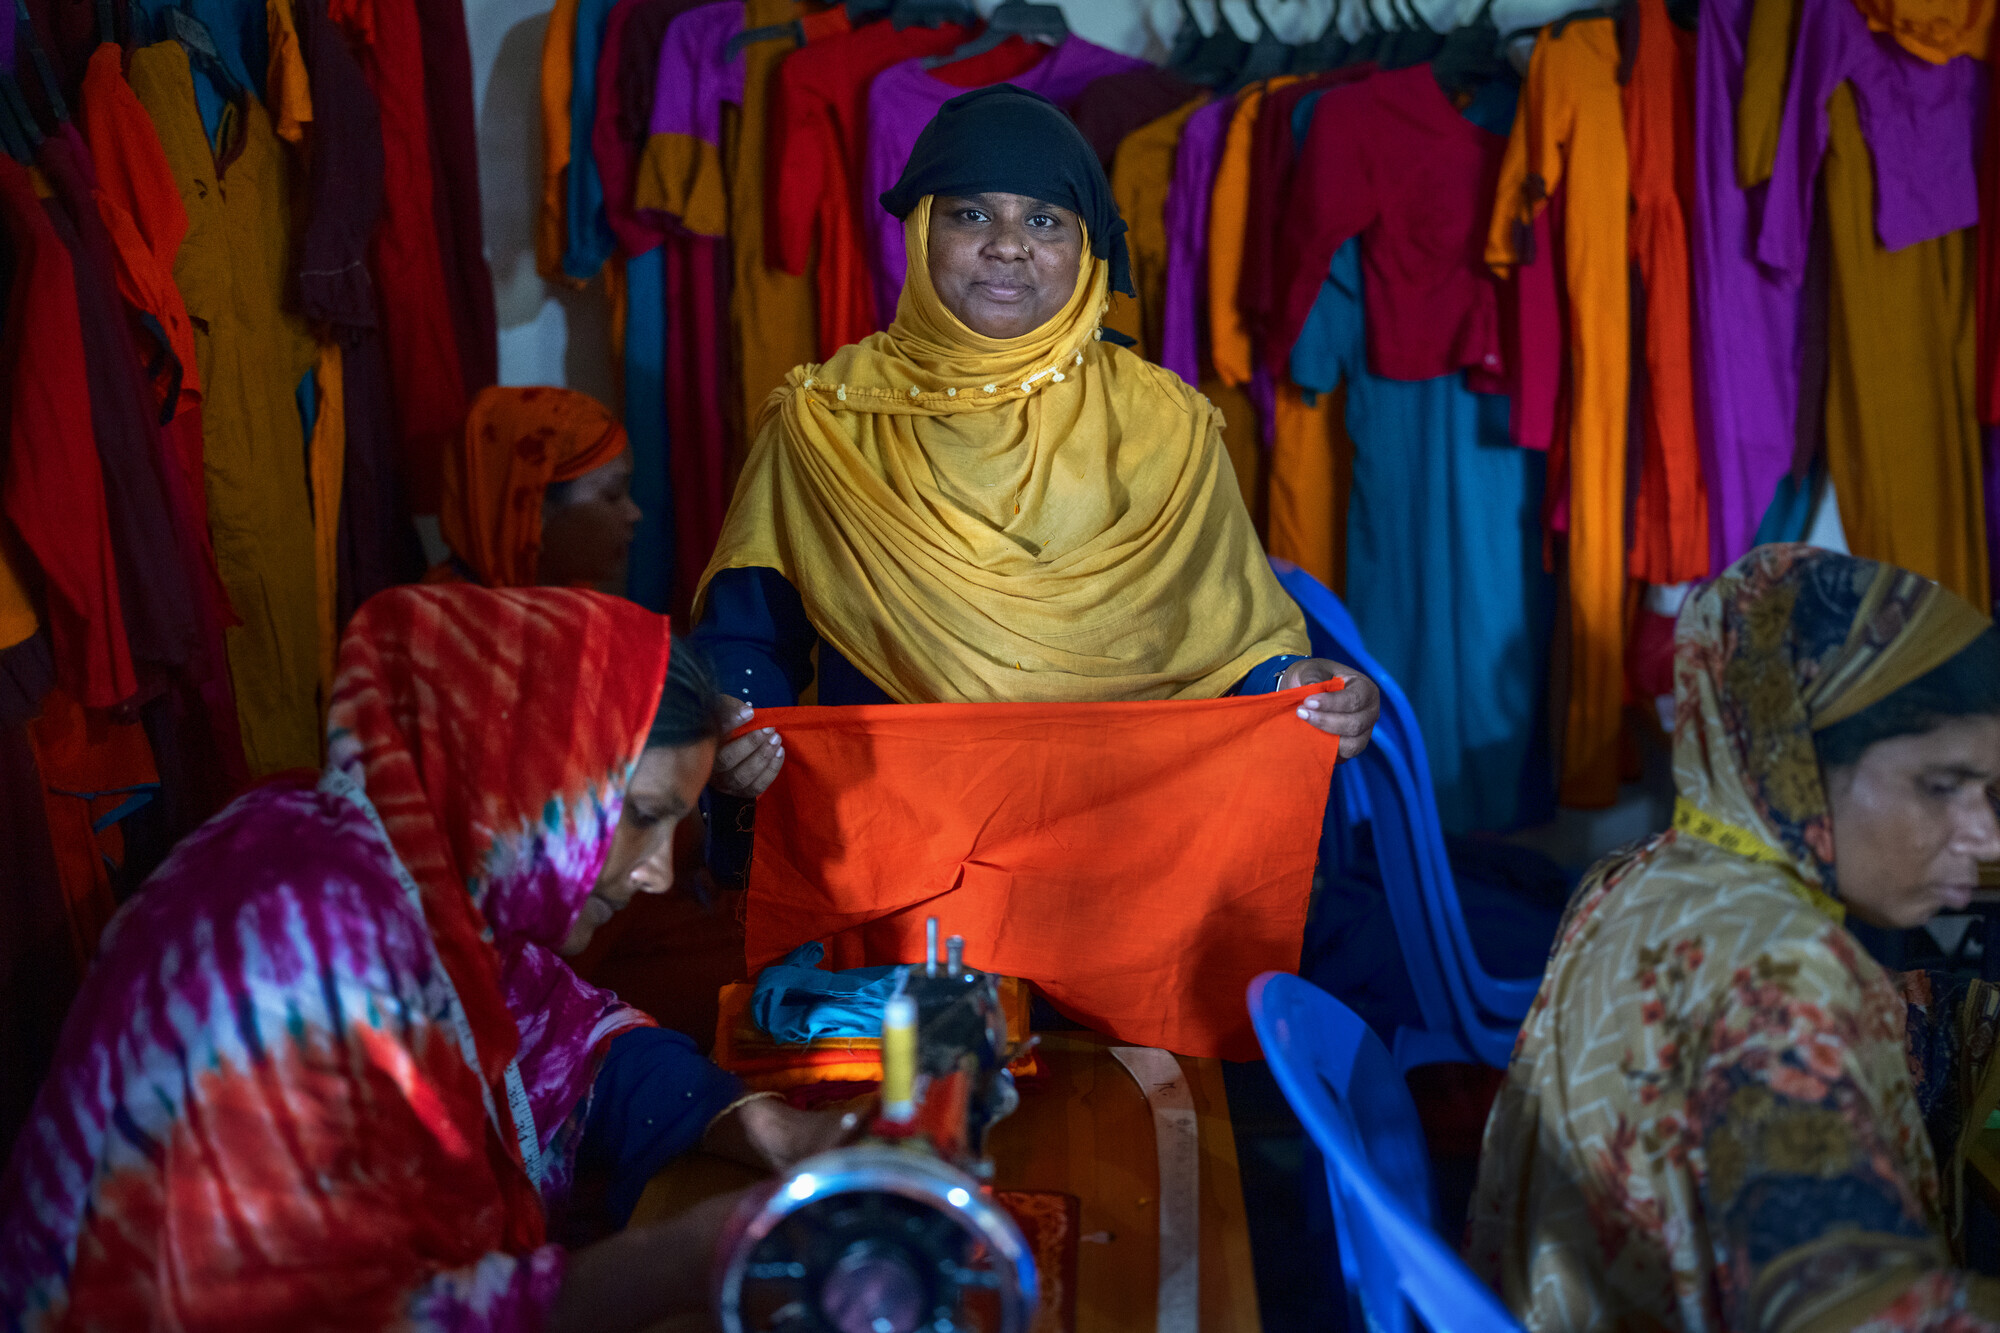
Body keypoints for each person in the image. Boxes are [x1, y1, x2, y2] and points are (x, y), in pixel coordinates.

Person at [0, 587, 845, 1331]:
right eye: (643, 815)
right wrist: (693, 1251)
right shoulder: (289, 944)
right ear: (528, 777)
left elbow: (569, 1038)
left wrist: (765, 1124)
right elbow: (332, 1310)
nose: (659, 870)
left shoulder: (417, 878)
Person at [691, 85, 1379, 831]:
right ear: (922, 233)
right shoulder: (826, 422)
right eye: (973, 214)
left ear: (1086, 251)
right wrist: (735, 722)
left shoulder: (1165, 425)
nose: (1009, 244)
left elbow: (1223, 643)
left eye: (1045, 220)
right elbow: (750, 638)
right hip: (900, 837)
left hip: (1127, 833)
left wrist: (1297, 683)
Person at [1468, 545, 2000, 1332]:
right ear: (1798, 762)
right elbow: (1860, 1316)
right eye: (1941, 786)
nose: (1986, 838)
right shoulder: (1785, 974)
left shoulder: (1641, 874)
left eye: (1991, 790)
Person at [428, 386, 640, 590]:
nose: (634, 514)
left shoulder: (576, 600)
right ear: (532, 511)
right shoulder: (433, 621)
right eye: (612, 494)